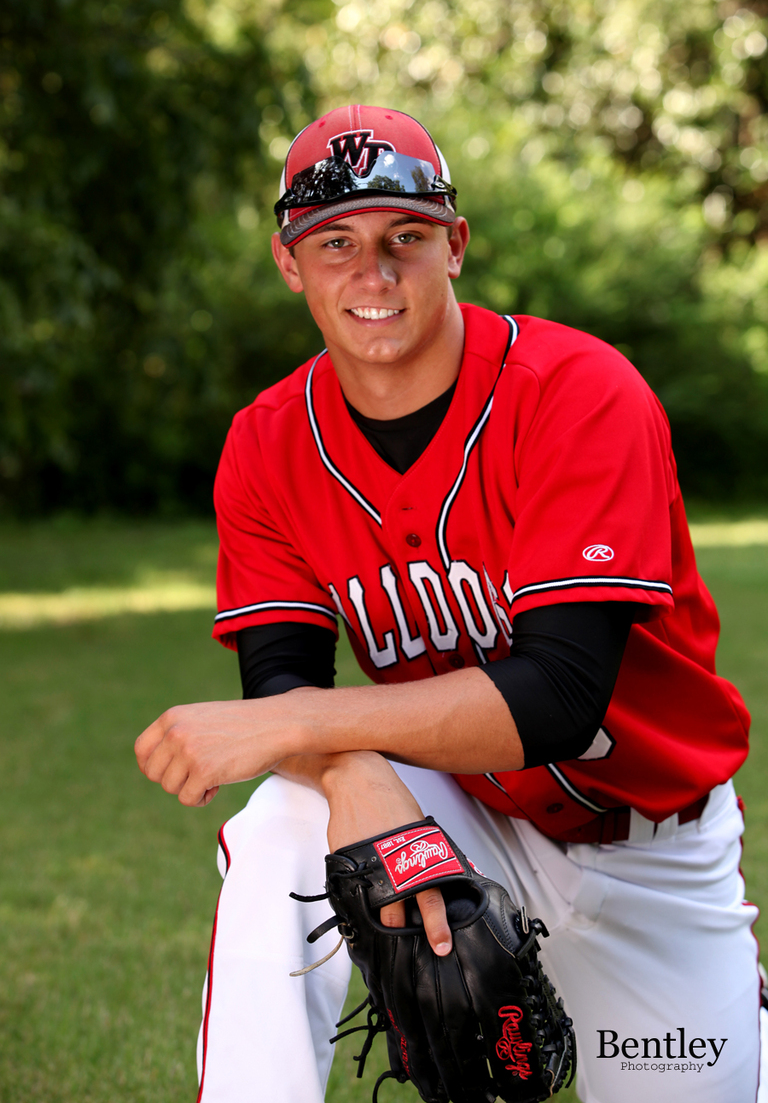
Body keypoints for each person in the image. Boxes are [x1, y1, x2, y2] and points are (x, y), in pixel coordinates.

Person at [135, 105, 765, 1103]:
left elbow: (560, 693)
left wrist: (294, 727)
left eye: (404, 239)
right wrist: (353, 774)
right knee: (284, 823)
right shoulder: (265, 444)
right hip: (459, 807)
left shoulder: (577, 392)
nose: (372, 274)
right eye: (335, 243)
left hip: (648, 847)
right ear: (290, 262)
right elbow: (283, 680)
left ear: (455, 246)